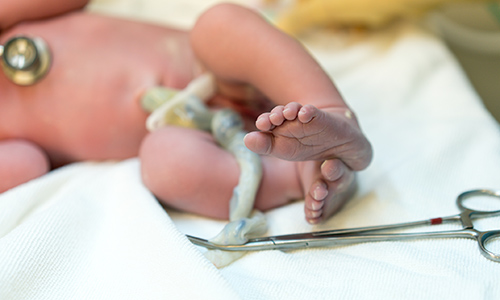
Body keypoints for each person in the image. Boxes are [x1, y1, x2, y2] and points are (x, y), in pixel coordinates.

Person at [0, 1, 372, 224]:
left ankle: (328, 112)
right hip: (211, 139)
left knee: (219, 25)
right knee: (166, 165)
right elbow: (26, 165)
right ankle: (302, 174)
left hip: (218, 70)